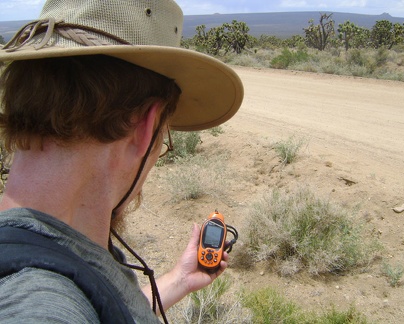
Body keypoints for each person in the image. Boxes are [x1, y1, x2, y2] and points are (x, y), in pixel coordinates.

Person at [0, 0, 243, 323]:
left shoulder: (44, 261)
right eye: (163, 138)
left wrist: (178, 281)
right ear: (145, 126)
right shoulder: (40, 306)